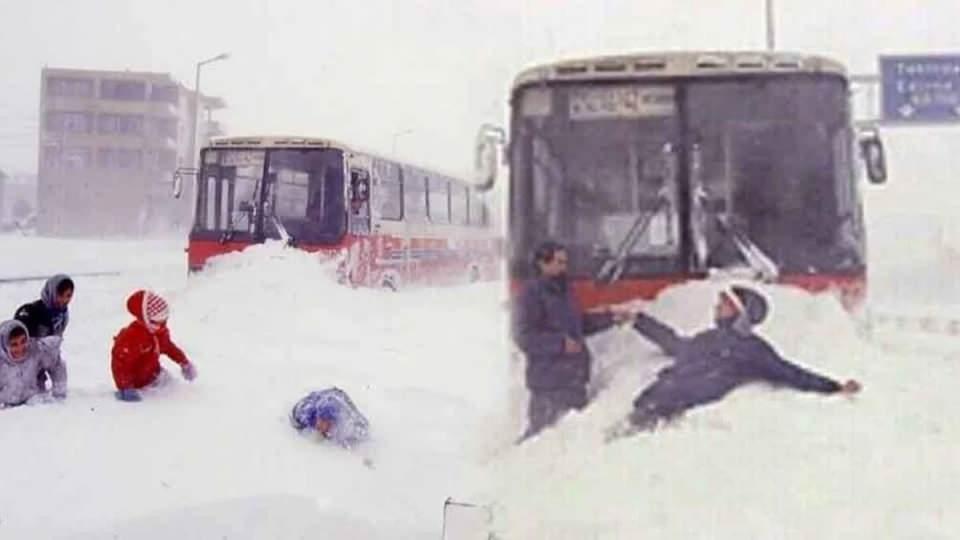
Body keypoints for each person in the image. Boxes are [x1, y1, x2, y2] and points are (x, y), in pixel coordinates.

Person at [606, 284, 861, 440]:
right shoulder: (708, 338)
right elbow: (674, 344)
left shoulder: (752, 350)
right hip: (654, 399)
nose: (716, 306)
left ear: (740, 313)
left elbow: (789, 373)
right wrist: (639, 321)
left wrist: (834, 386)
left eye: (724, 304)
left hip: (672, 411)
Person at [512, 240, 632, 442]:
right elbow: (524, 337)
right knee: (541, 441)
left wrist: (610, 318)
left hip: (574, 381)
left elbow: (579, 325)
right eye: (558, 262)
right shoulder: (530, 294)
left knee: (572, 440)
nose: (564, 267)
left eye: (565, 262)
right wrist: (559, 344)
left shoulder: (565, 291)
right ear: (543, 263)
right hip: (548, 385)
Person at [111, 289, 197, 402]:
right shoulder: (132, 338)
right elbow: (120, 364)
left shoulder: (158, 331)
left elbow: (168, 347)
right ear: (146, 319)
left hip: (155, 375)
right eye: (159, 321)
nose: (163, 325)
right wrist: (125, 387)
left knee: (178, 394)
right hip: (136, 385)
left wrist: (184, 362)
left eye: (165, 321)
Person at [14, 274, 74, 391]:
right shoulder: (32, 311)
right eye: (60, 295)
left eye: (68, 296)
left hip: (49, 356)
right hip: (29, 359)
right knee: (33, 392)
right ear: (52, 292)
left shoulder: (62, 315)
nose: (64, 300)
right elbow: (20, 341)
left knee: (60, 370)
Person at [0, 320, 67, 409]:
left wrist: (59, 391)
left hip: (34, 403)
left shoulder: (36, 350)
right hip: (6, 408)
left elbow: (56, 364)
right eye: (14, 344)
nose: (20, 348)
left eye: (23, 341)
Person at [290, 387, 370, 449]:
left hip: (338, 398)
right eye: (320, 421)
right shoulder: (307, 415)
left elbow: (363, 428)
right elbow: (298, 415)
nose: (320, 426)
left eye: (325, 422)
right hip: (324, 398)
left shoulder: (347, 421)